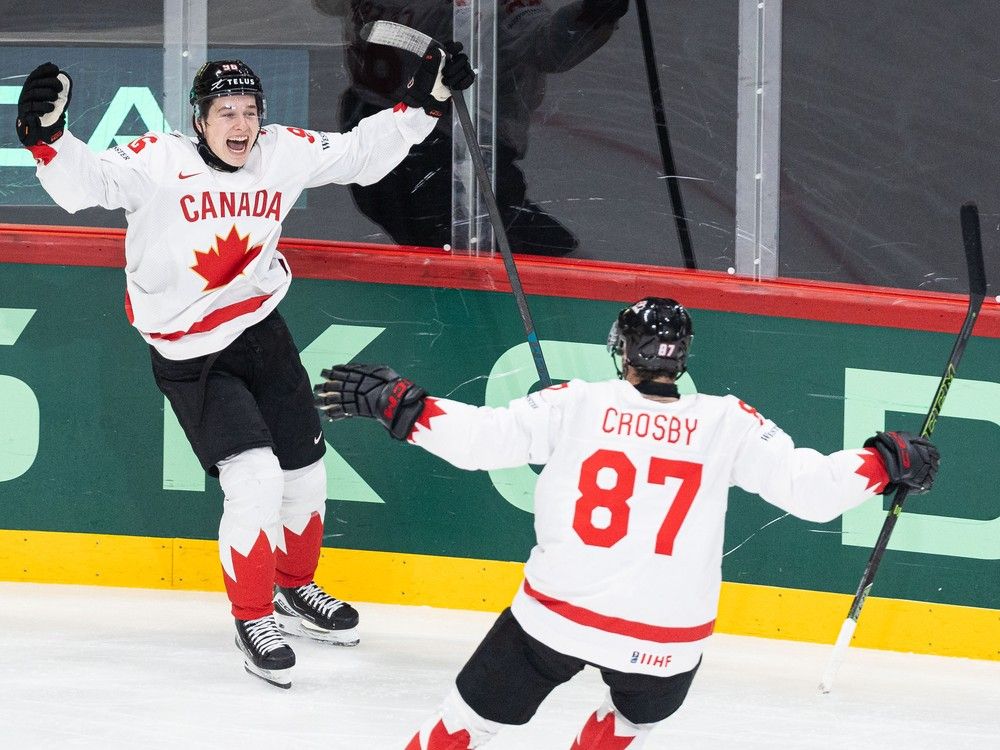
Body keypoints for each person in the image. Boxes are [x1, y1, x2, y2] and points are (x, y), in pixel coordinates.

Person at [14, 50, 475, 689]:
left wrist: (424, 107)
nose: (241, 125)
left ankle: (294, 588)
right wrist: (48, 140)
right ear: (198, 121)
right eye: (226, 112)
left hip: (261, 330)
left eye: (251, 111)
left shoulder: (279, 151)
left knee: (308, 473)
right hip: (189, 352)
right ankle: (253, 616)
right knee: (255, 477)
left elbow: (356, 154)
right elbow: (86, 184)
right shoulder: (156, 161)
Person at [312, 297, 940, 748]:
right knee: (635, 720)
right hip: (666, 645)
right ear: (682, 358)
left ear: (621, 353)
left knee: (467, 721)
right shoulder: (727, 421)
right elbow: (812, 493)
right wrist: (885, 461)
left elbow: (476, 442)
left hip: (556, 620)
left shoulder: (576, 402)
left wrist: (400, 404)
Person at [324, 0, 631, 255]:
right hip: (446, 168)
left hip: (371, 151)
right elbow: (549, 45)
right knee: (565, 279)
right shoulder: (489, 8)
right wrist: (595, 11)